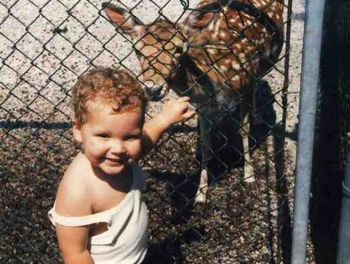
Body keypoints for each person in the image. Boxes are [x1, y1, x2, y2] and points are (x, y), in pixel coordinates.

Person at [48, 67, 195, 264]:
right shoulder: (78, 190)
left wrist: (165, 118)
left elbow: (146, 140)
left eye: (130, 136)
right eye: (103, 136)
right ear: (77, 130)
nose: (118, 148)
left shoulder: (121, 158)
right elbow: (75, 254)